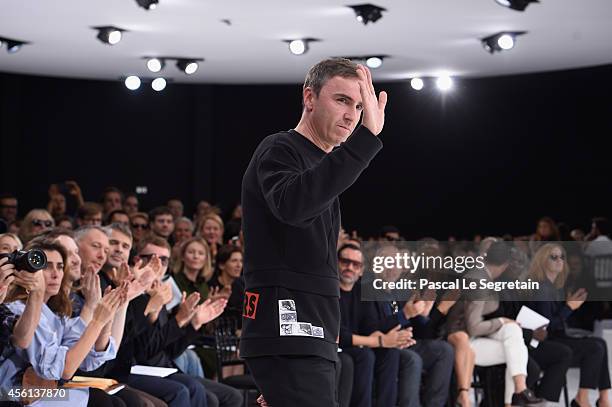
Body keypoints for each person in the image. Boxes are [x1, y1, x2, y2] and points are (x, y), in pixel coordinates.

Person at [239, 58, 387, 406]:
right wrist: (366, 140)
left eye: (360, 106)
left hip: (308, 331)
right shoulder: (280, 149)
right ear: (309, 98)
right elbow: (294, 206)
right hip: (287, 332)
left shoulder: (319, 165)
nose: (353, 115)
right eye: (342, 100)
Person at [528, 243, 611, 407]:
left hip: (556, 338)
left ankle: (601, 398)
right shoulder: (542, 288)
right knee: (595, 347)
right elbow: (547, 326)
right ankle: (584, 399)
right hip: (545, 343)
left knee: (599, 343)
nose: (559, 260)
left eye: (562, 257)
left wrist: (570, 305)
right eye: (554, 257)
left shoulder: (553, 287)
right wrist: (570, 307)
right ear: (543, 261)